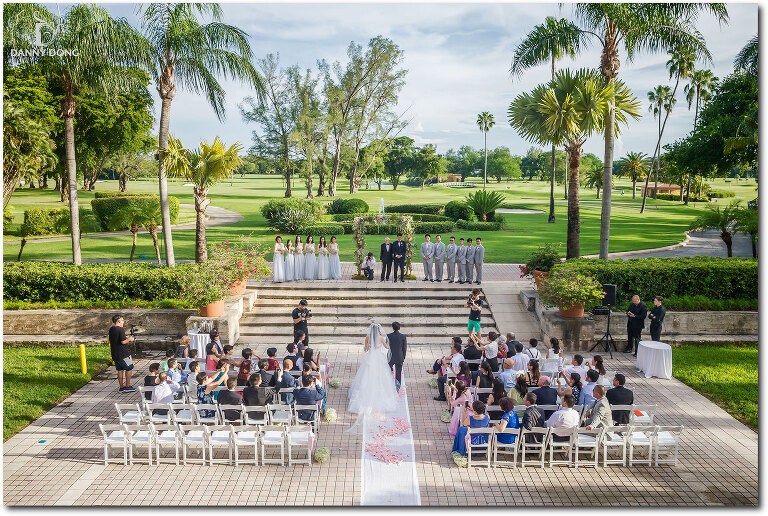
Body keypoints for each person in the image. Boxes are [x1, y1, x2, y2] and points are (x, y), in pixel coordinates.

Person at [347, 322, 400, 414]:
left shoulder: (368, 337)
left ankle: (365, 395)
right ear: (378, 330)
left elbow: (366, 349)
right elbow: (387, 347)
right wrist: (387, 344)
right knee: (381, 376)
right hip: (379, 357)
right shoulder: (381, 338)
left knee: (366, 375)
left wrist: (369, 347)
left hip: (370, 357)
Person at [109, 314, 136, 393]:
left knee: (120, 370)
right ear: (119, 321)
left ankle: (121, 387)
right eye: (122, 320)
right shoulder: (120, 329)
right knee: (129, 368)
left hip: (115, 353)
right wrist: (130, 339)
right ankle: (127, 386)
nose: (123, 322)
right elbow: (123, 341)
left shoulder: (111, 329)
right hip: (123, 354)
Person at [387, 321, 407, 389]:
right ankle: (397, 388)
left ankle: (388, 384)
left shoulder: (389, 336)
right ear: (399, 328)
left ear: (392, 328)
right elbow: (404, 348)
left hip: (391, 357)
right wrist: (403, 357)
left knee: (388, 370)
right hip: (399, 356)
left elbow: (387, 346)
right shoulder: (403, 336)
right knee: (398, 373)